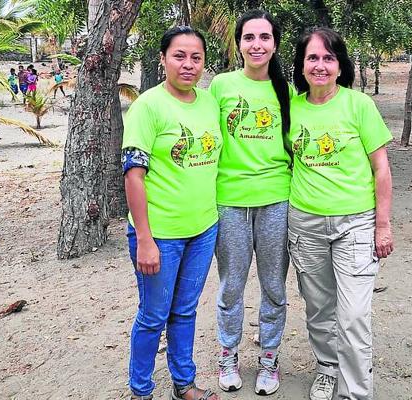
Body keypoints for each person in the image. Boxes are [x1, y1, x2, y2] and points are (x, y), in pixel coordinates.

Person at [287, 27, 394, 400]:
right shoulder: (291, 108)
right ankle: (327, 368)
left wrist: (383, 226)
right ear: (301, 65)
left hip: (356, 224)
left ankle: (355, 392)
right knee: (319, 309)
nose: (320, 65)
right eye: (312, 58)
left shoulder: (359, 105)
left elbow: (381, 168)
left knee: (352, 316)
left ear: (339, 65)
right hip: (305, 224)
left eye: (328, 58)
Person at [122, 26, 222, 400]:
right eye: (179, 56)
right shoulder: (148, 106)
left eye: (196, 57)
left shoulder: (210, 102)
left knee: (185, 311)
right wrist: (145, 239)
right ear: (163, 59)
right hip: (159, 233)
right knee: (153, 316)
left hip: (203, 228)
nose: (187, 64)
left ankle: (184, 383)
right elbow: (133, 175)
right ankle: (141, 390)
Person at [209, 9, 291, 396]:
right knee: (231, 286)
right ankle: (228, 353)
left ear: (275, 45)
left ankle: (270, 359)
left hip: (276, 199)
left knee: (273, 285)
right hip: (229, 200)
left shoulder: (286, 91)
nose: (256, 44)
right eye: (249, 37)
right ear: (239, 43)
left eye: (264, 37)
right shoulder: (221, 87)